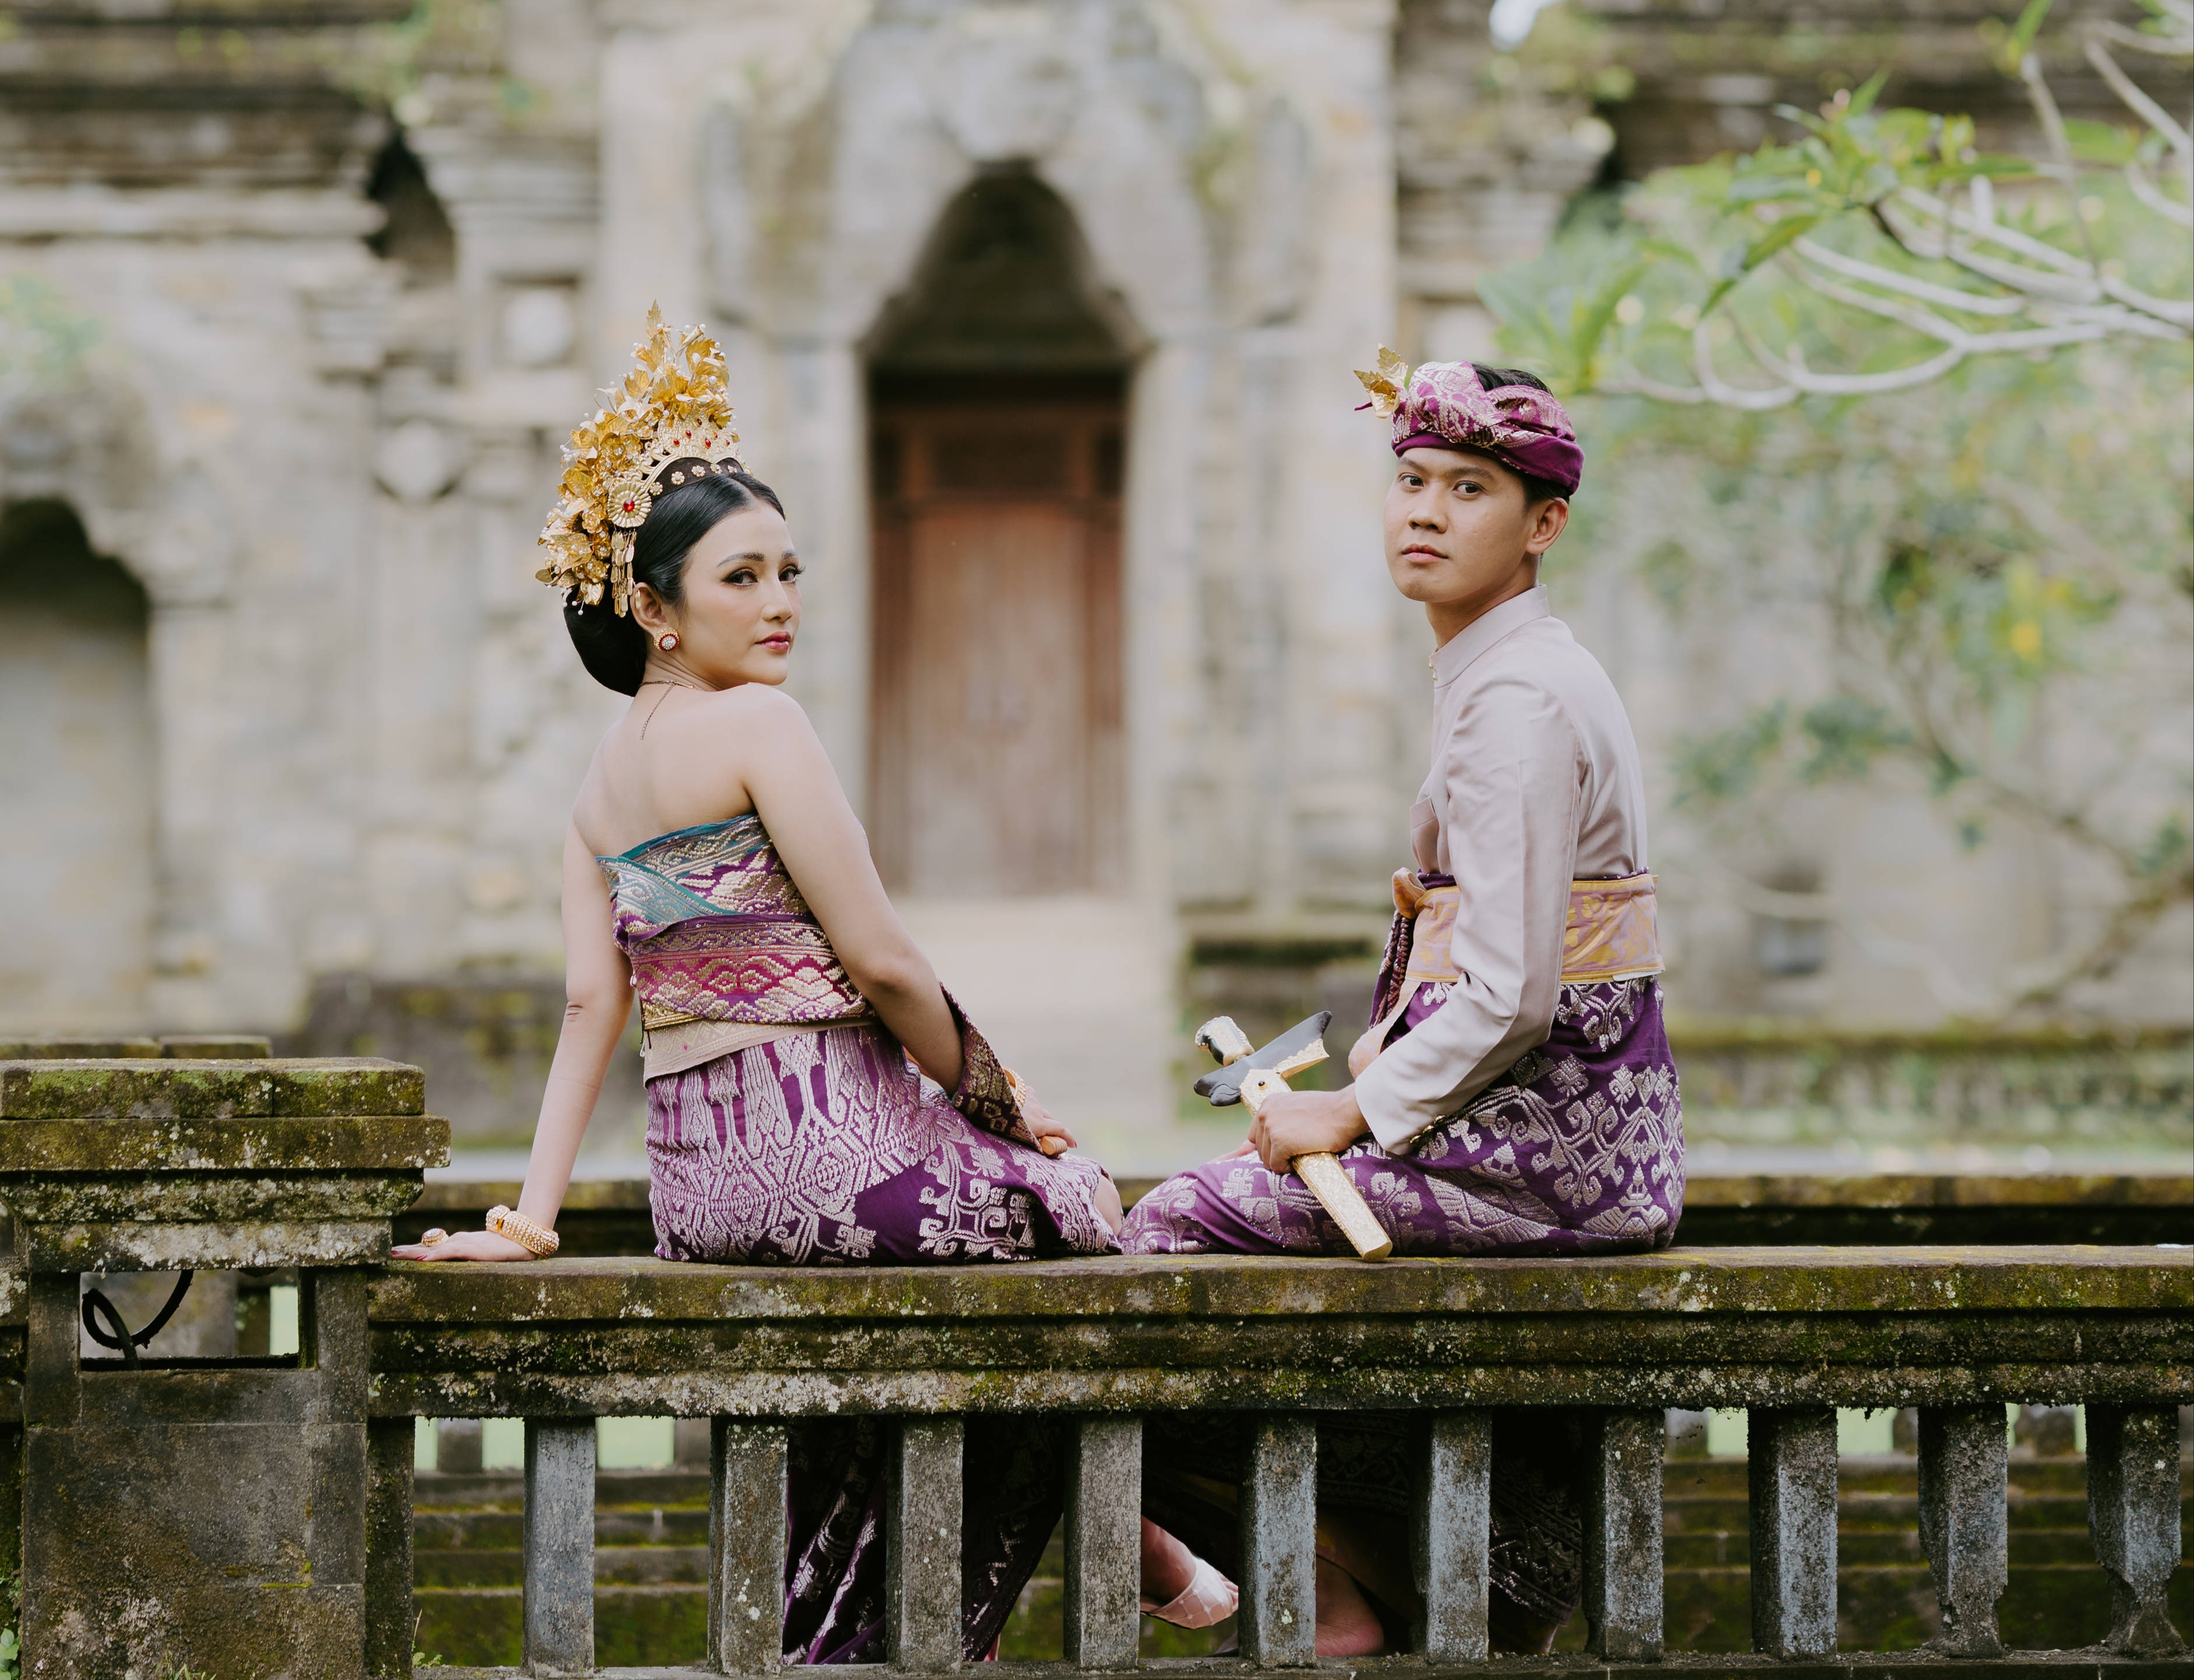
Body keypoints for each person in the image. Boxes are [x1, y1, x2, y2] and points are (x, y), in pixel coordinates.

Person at [391, 310, 1237, 1658]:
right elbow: (886, 962)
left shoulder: (594, 793)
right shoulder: (758, 724)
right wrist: (1004, 1105)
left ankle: (1102, 1533)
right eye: (741, 576)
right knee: (1081, 1207)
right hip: (832, 1157)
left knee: (940, 1317)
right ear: (652, 607)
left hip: (703, 1196)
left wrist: (531, 1218)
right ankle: (1118, 1524)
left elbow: (592, 1009)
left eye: (789, 569)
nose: (780, 599)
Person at [1119, 351, 1684, 1656]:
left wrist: (1350, 1113)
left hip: (1548, 1157)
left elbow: (1515, 995)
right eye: (1412, 479)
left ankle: (1329, 1573)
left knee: (1169, 1232)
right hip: (1563, 1137)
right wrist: (1377, 1059)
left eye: (1469, 488)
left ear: (1543, 523)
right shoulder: (1503, 673)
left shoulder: (1518, 701)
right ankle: (1367, 1562)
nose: (1425, 510)